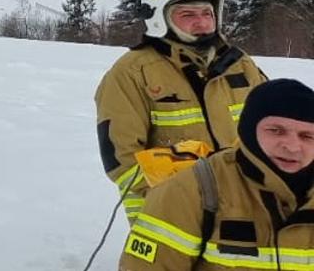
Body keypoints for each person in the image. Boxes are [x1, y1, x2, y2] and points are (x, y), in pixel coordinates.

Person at [96, 0, 266, 223]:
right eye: (187, 15)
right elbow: (122, 159)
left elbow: (275, 126)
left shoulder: (240, 65)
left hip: (246, 206)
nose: (201, 23)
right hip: (171, 213)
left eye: (207, 13)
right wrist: (189, 191)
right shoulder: (131, 72)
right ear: (160, 19)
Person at [120, 78, 314, 270]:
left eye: (307, 136)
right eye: (276, 130)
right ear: (248, 129)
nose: (292, 147)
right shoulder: (192, 191)